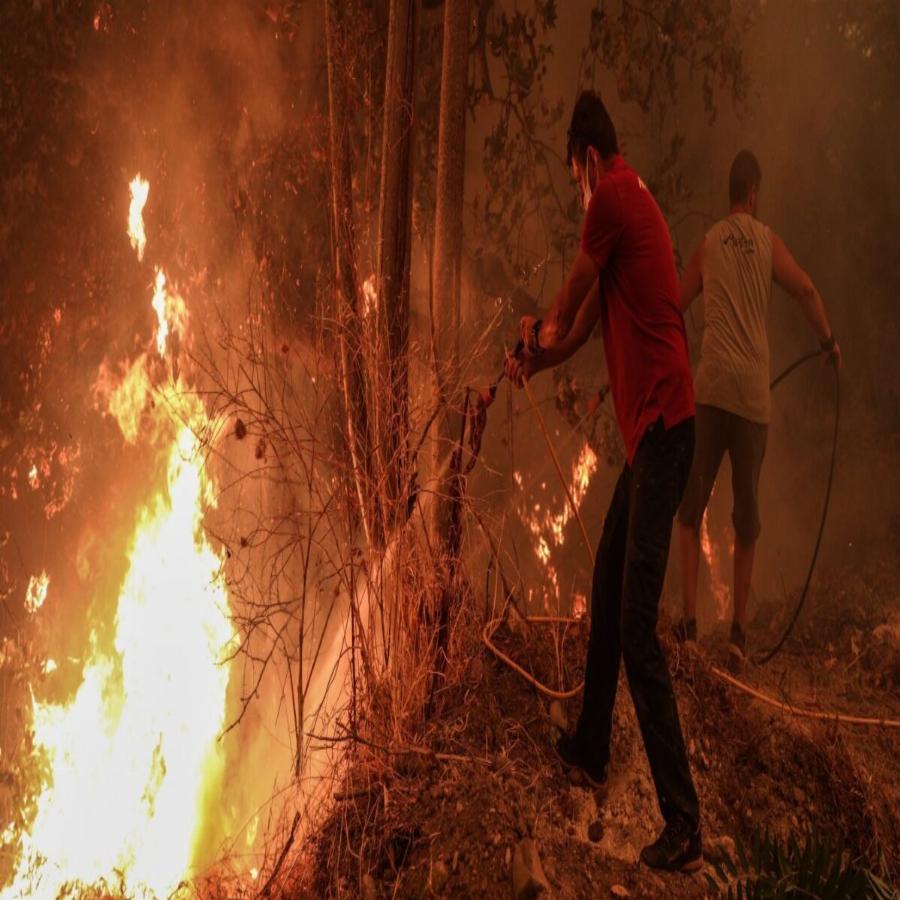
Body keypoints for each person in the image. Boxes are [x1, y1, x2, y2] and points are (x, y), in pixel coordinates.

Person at [505, 90, 702, 873]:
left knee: (637, 627)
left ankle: (684, 822)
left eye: (574, 179)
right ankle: (591, 746)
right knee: (606, 583)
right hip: (654, 439)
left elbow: (568, 303)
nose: (578, 195)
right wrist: (538, 359)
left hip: (667, 433)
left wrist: (536, 328)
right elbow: (583, 329)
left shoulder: (614, 194)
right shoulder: (627, 202)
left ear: (587, 159)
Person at [675, 150, 841, 659]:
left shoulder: (709, 244)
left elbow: (674, 305)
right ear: (753, 193)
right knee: (745, 519)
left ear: (732, 193)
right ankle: (738, 635)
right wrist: (828, 343)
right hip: (750, 399)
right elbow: (806, 289)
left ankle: (687, 628)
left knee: (691, 508)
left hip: (711, 393)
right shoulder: (768, 241)